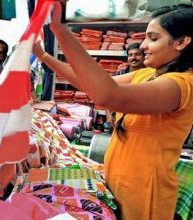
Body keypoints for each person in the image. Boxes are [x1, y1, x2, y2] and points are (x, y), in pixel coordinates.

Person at [33, 3, 193, 220]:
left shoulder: (181, 85)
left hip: (145, 190)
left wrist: (61, 30)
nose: (143, 46)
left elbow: (107, 96)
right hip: (121, 180)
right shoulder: (145, 75)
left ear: (182, 42)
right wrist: (43, 56)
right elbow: (88, 84)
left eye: (153, 38)